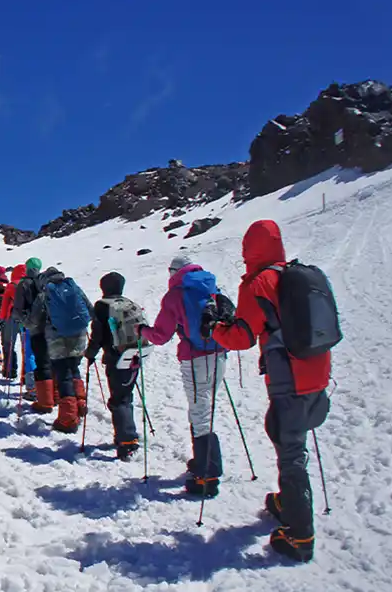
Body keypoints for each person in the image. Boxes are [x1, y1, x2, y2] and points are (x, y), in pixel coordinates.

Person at [210, 219, 332, 563]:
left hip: (288, 377)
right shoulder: (296, 275)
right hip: (316, 370)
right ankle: (288, 500)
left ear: (250, 249)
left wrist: (215, 328)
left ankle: (300, 536)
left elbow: (242, 337)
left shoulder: (259, 282)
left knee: (290, 451)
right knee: (290, 438)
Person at [139, 252, 232, 499]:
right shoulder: (213, 287)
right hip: (219, 353)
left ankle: (207, 474)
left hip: (194, 358)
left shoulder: (176, 295)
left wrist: (141, 330)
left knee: (199, 411)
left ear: (173, 273)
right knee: (205, 407)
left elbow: (160, 335)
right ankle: (203, 463)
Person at [83, 271, 149, 461]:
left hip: (115, 357)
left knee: (118, 399)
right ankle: (126, 434)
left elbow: (98, 335)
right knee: (125, 395)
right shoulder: (129, 303)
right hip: (136, 354)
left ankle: (126, 440)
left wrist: (90, 354)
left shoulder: (103, 306)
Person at [28, 261, 93, 433]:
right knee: (74, 368)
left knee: (63, 373)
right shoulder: (74, 288)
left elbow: (34, 320)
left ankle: (68, 418)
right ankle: (81, 402)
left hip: (56, 337)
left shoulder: (45, 293)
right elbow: (90, 310)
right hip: (79, 335)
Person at [12, 258, 51, 411]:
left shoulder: (24, 283)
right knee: (45, 358)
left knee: (29, 354)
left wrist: (19, 319)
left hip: (28, 325)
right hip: (47, 325)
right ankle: (48, 392)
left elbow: (18, 308)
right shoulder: (44, 282)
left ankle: (32, 387)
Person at [0, 265, 27, 380]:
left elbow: (5, 305)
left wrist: (2, 319)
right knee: (27, 350)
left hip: (11, 319)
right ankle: (26, 376)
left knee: (8, 344)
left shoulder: (12, 285)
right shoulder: (31, 284)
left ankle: (10, 370)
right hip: (27, 320)